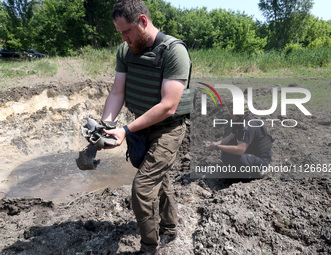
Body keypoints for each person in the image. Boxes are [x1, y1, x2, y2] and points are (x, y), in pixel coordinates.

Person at [101, 0, 192, 254]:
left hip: (168, 129)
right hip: (142, 128)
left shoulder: (174, 51)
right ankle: (170, 228)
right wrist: (106, 126)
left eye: (126, 31)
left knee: (142, 188)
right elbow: (117, 92)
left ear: (142, 21)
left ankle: (149, 247)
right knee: (158, 180)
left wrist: (126, 130)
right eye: (120, 32)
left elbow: (168, 106)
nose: (124, 37)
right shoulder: (126, 50)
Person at [205, 100, 273, 179]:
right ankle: (242, 175)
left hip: (261, 160)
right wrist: (214, 144)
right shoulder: (239, 121)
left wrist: (217, 147)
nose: (230, 115)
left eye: (232, 113)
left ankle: (258, 171)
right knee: (226, 154)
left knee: (238, 158)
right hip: (251, 154)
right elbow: (230, 137)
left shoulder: (249, 125)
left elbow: (240, 150)